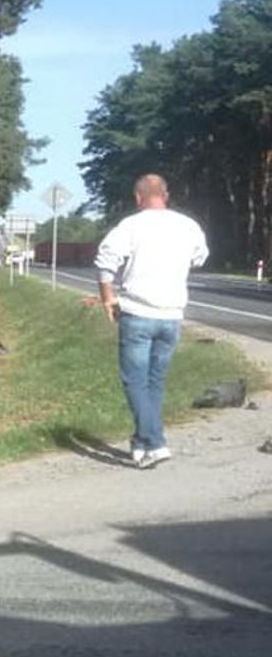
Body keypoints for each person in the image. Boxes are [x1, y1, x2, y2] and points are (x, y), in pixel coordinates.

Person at [94, 174, 209, 469]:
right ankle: (141, 444)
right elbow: (200, 258)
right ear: (166, 195)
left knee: (134, 381)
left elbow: (105, 263)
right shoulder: (188, 226)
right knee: (154, 382)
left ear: (137, 197)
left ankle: (156, 443)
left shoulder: (130, 226)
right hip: (172, 315)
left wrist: (107, 298)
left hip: (137, 313)